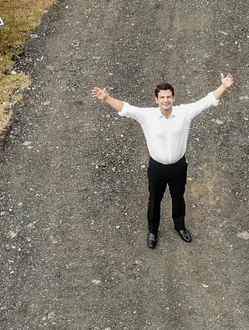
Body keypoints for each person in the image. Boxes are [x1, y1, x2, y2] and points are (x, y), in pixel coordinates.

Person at [91, 74, 235, 249]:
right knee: (154, 199)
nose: (166, 100)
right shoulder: (147, 116)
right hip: (157, 168)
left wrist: (224, 87)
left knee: (178, 197)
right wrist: (106, 98)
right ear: (156, 99)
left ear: (173, 98)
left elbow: (206, 101)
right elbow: (125, 108)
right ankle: (152, 231)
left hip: (178, 167)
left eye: (168, 97)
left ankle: (180, 226)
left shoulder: (185, 113)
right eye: (162, 97)